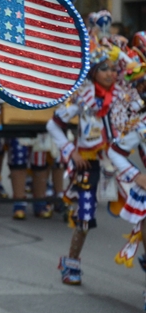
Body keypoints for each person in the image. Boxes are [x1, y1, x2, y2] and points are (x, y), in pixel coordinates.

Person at [47, 44, 125, 285]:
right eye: (104, 69)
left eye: (113, 69)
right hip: (89, 164)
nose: (110, 73)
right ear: (93, 73)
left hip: (120, 163)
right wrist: (71, 151)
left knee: (139, 213)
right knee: (85, 215)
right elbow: (53, 124)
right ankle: (71, 264)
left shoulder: (124, 96)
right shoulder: (84, 96)